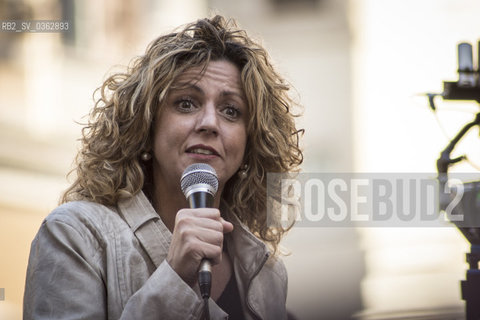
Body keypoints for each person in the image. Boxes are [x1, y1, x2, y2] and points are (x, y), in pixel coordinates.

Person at [23, 15, 303, 320]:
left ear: (250, 144)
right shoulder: (76, 235)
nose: (210, 123)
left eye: (231, 110)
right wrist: (175, 278)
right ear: (146, 126)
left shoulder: (266, 272)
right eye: (186, 103)